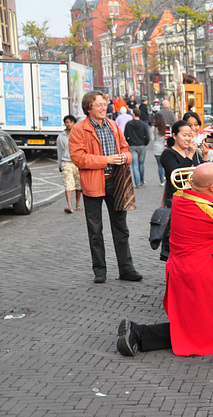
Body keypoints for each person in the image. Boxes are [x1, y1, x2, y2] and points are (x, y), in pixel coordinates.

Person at [116, 163, 213, 357]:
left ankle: (137, 332)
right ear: (211, 187)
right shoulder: (210, 212)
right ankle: (138, 333)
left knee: (195, 326)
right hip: (199, 270)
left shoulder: (184, 196)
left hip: (185, 266)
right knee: (195, 331)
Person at [69, 90, 143, 284]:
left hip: (116, 181)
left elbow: (126, 148)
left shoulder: (112, 125)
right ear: (88, 108)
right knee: (95, 230)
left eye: (105, 104)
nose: (104, 108)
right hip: (94, 183)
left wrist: (125, 158)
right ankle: (100, 271)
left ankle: (126, 269)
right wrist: (107, 160)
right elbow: (78, 158)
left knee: (121, 228)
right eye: (100, 105)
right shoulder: (79, 130)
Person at [160, 120, 204, 207]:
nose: (188, 139)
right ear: (174, 136)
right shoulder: (168, 154)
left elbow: (202, 172)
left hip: (194, 198)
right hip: (176, 200)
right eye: (184, 135)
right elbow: (177, 175)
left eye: (189, 136)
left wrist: (205, 157)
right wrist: (190, 154)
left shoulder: (192, 152)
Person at [57, 114, 82, 214]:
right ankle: (69, 206)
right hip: (66, 162)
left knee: (78, 185)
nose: (68, 124)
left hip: (77, 162)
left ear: (74, 123)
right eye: (66, 122)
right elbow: (59, 151)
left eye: (70, 122)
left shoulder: (79, 134)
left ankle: (78, 204)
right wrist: (60, 164)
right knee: (68, 184)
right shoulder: (61, 136)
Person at [124, 108, 150, 187]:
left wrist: (129, 143)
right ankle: (142, 180)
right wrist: (145, 143)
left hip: (132, 145)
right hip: (141, 145)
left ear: (134, 114)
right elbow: (147, 136)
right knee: (141, 164)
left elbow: (125, 135)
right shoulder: (143, 124)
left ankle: (137, 182)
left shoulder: (128, 124)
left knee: (134, 165)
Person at [151, 114, 168, 185]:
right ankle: (165, 176)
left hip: (156, 148)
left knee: (159, 165)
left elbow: (152, 139)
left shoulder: (153, 128)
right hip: (165, 148)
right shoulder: (166, 127)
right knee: (165, 164)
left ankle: (161, 181)